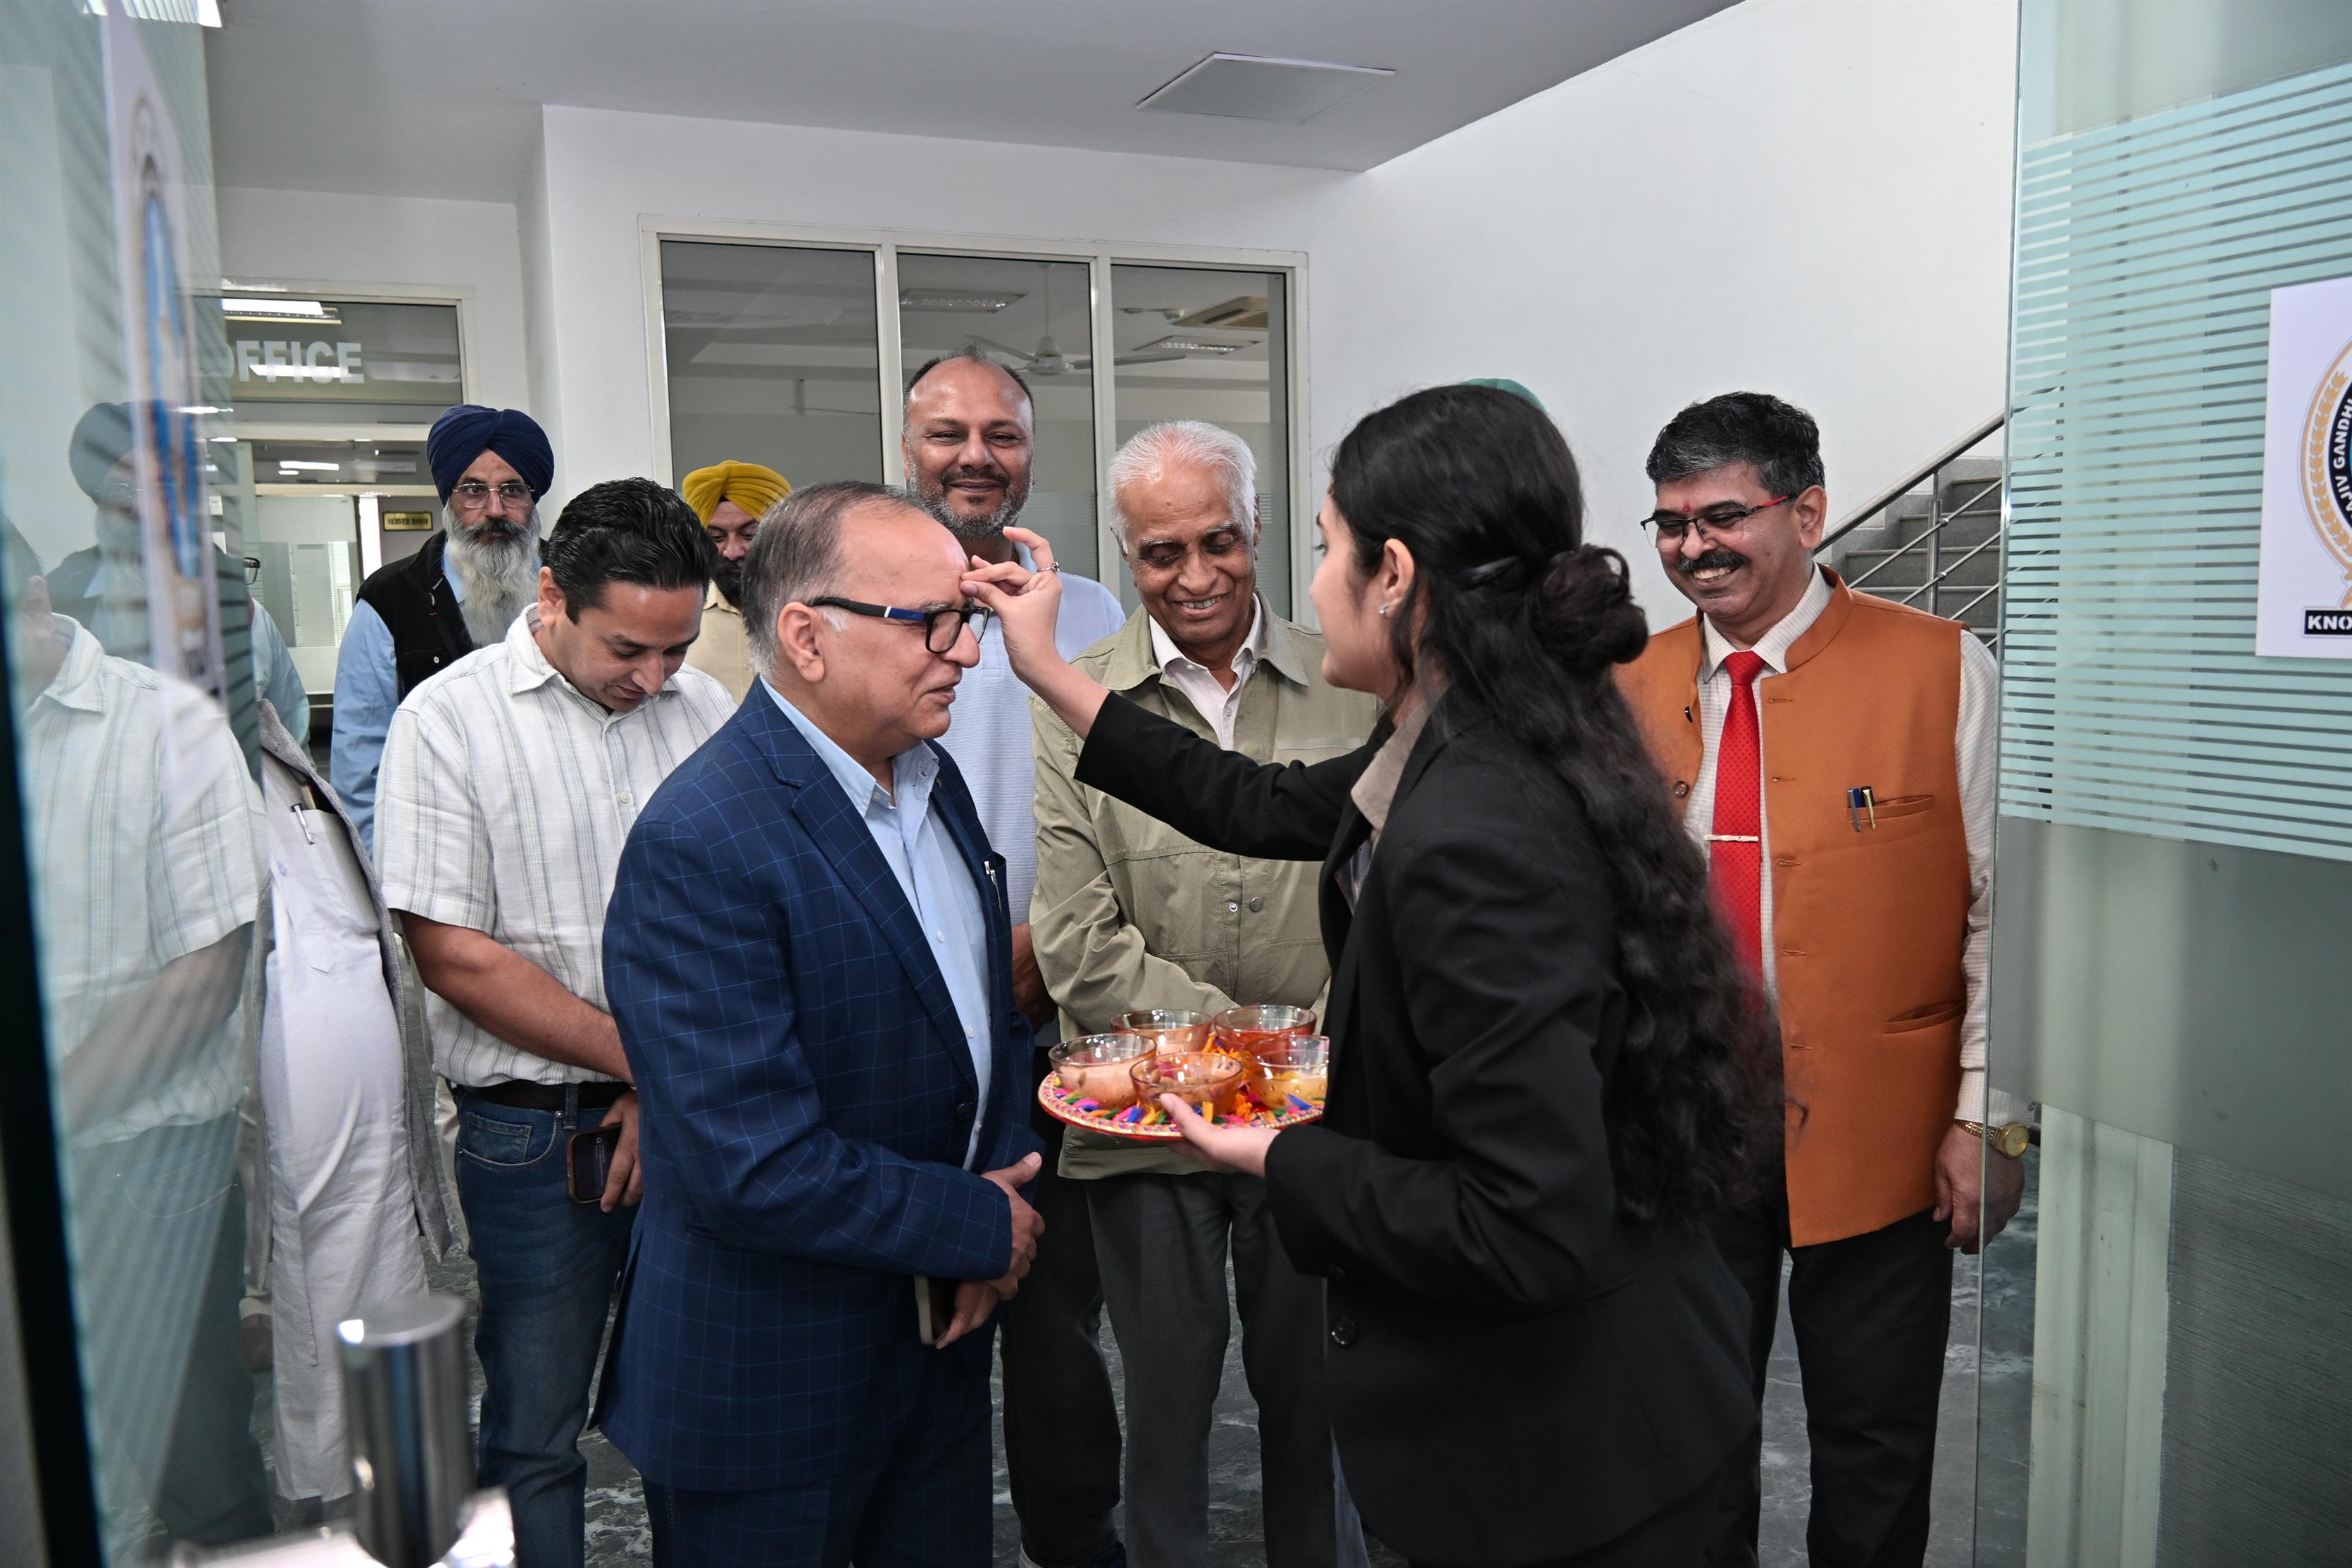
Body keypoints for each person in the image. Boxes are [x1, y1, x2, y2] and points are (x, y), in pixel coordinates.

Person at [966, 384, 1774, 1568]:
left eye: (1323, 547)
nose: (1312, 580)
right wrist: (1047, 668)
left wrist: (1282, 1149)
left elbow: (1521, 1225)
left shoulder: (1476, 827)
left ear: (1393, 573)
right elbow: (1250, 801)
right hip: (1581, 1412)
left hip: (1569, 1455)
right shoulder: (1475, 732)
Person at [599, 480, 1044, 1567]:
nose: (965, 652)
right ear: (806, 635)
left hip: (936, 1347)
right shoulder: (705, 838)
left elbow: (982, 1022)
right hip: (771, 1389)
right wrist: (976, 1222)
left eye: (968, 618)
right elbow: (749, 1161)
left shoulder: (931, 777)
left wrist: (999, 1189)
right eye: (932, 622)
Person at [1617, 392, 2024, 1568]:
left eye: (1723, 516)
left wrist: (1989, 1120)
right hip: (1689, 1129)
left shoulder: (1941, 668)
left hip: (1885, 1136)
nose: (1695, 546)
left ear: (1808, 512)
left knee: (1876, 1453)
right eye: (1671, 523)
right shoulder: (1626, 684)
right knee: (1687, 1444)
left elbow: (2004, 913)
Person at [1031, 420, 1375, 1568]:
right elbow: (1079, 942)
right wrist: (1268, 1057)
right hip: (1147, 1118)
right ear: (1124, 552)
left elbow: (1388, 905)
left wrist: (1310, 1063)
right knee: (1163, 1414)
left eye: (1218, 541)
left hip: (1319, 1124)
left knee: (1317, 1402)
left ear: (1258, 529)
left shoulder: (1353, 681)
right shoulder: (1077, 699)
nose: (1195, 576)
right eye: (1160, 552)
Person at [374, 478, 732, 1568]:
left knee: (699, 1406)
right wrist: (648, 1066)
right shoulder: (449, 720)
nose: (655, 678)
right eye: (628, 648)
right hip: (536, 1133)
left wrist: (668, 1088)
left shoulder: (708, 709)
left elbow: (743, 920)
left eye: (677, 648)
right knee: (535, 1423)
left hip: (700, 1119)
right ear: (551, 596)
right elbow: (453, 952)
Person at [8, 520, 275, 1555]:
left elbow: (203, 976)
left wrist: (40, 1125)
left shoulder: (168, 729)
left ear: (36, 600)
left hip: (145, 1163)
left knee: (192, 1456)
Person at [901, 350, 1127, 1568]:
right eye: (949, 432)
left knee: (1055, 1316)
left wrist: (1048, 946)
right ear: (908, 447)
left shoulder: (1090, 614)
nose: (975, 456)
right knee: (917, 1303)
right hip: (913, 1019)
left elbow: (1129, 806)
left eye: (1002, 434)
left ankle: (1071, 1539)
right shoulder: (868, 603)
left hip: (1057, 1011)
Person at [254, 690, 454, 1514]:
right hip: (281, 1145)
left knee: (383, 1312)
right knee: (314, 1326)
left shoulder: (271, 746)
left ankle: (383, 1504)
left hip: (375, 1135)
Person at [334, 403, 555, 851]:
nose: (495, 509)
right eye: (473, 490)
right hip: (439, 845)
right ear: (448, 499)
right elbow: (362, 764)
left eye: (513, 490)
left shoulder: (578, 582)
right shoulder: (388, 599)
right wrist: (383, 875)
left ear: (532, 499)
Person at [679, 458, 791, 701]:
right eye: (716, 538)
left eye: (750, 535)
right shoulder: (678, 617)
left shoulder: (817, 612)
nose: (733, 552)